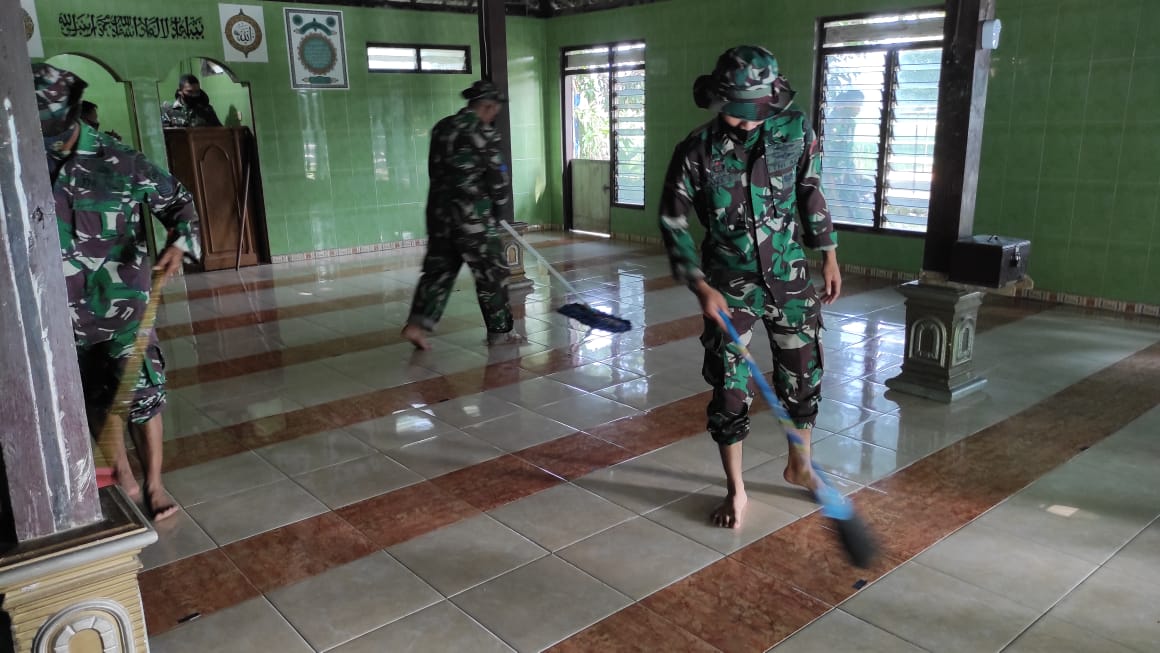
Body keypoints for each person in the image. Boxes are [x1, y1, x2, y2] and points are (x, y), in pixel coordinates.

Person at [658, 46, 843, 529]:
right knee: (729, 387)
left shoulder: (795, 130)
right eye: (735, 112)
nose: (744, 122)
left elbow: (810, 190)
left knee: (802, 376)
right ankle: (735, 489)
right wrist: (699, 284)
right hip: (728, 285)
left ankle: (800, 466)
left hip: (790, 277)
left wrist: (828, 253)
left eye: (753, 112)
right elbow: (673, 221)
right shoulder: (696, 151)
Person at [34, 63, 202, 521]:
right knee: (93, 397)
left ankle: (154, 483)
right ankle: (123, 477)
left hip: (124, 306)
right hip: (57, 314)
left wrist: (180, 244)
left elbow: (179, 203)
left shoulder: (119, 160)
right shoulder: (21, 162)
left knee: (142, 393)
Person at [401, 80, 522, 350]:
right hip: (473, 220)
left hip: (439, 215)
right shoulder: (485, 133)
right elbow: (498, 181)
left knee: (438, 271)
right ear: (488, 107)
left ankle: (416, 326)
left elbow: (435, 171)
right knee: (492, 272)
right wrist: (499, 210)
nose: (494, 115)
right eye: (495, 110)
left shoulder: (442, 128)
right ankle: (500, 333)